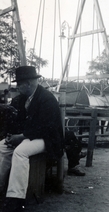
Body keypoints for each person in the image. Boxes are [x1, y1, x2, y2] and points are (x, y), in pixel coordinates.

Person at [0, 66, 64, 212]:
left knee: (20, 152)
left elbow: (46, 128)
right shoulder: (22, 99)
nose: (17, 87)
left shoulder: (47, 99)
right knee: (2, 146)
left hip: (48, 140)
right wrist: (12, 136)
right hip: (30, 137)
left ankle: (16, 200)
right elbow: (20, 123)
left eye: (19, 84)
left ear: (28, 83)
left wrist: (21, 137)